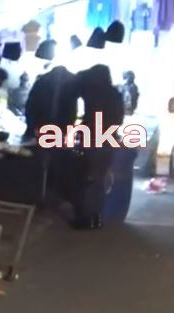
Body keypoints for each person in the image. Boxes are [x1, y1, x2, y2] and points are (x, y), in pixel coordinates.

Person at [72, 64, 125, 229]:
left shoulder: (93, 93)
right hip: (108, 141)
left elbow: (90, 118)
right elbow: (119, 119)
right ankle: (97, 218)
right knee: (99, 179)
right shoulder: (115, 94)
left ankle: (86, 218)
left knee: (88, 179)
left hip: (93, 140)